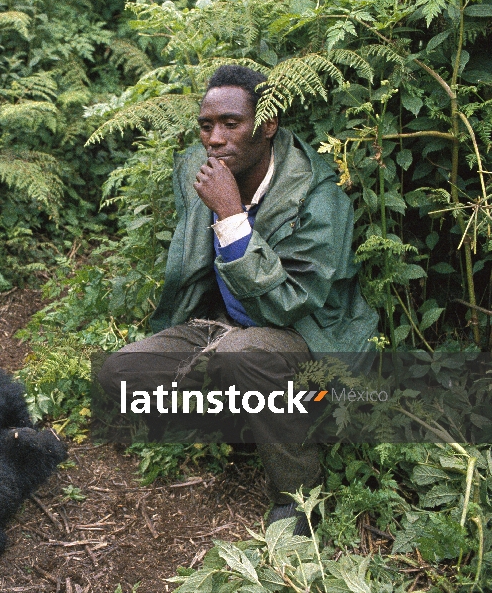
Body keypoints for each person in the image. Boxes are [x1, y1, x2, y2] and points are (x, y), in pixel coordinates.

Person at [97, 64, 378, 534]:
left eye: (232, 123)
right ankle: (254, 419)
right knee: (118, 376)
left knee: (243, 356)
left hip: (308, 337)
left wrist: (230, 213)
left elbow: (290, 303)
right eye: (206, 126)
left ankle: (299, 498)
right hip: (224, 325)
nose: (214, 138)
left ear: (268, 125)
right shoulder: (198, 168)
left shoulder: (319, 198)